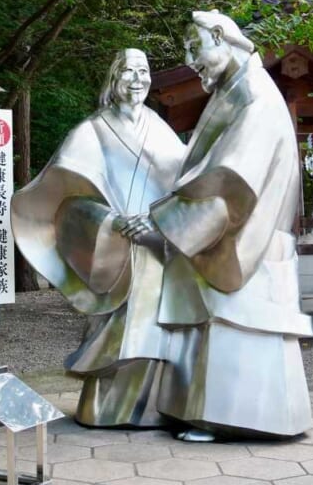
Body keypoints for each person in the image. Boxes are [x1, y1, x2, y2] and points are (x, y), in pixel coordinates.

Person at [127, 10, 313, 439]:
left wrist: (166, 223)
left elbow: (230, 180)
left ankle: (229, 418)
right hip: (239, 236)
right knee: (218, 327)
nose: (190, 60)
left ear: (218, 35)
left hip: (245, 237)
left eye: (194, 48)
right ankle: (211, 414)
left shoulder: (255, 97)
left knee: (236, 326)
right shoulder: (238, 90)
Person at [11, 49, 186, 427]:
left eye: (144, 71)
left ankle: (152, 408)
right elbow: (65, 195)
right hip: (113, 250)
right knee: (119, 329)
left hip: (154, 247)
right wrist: (111, 222)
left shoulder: (158, 127)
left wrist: (160, 222)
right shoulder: (92, 130)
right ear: (114, 77)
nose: (137, 79)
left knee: (156, 330)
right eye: (129, 71)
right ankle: (108, 409)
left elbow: (185, 182)